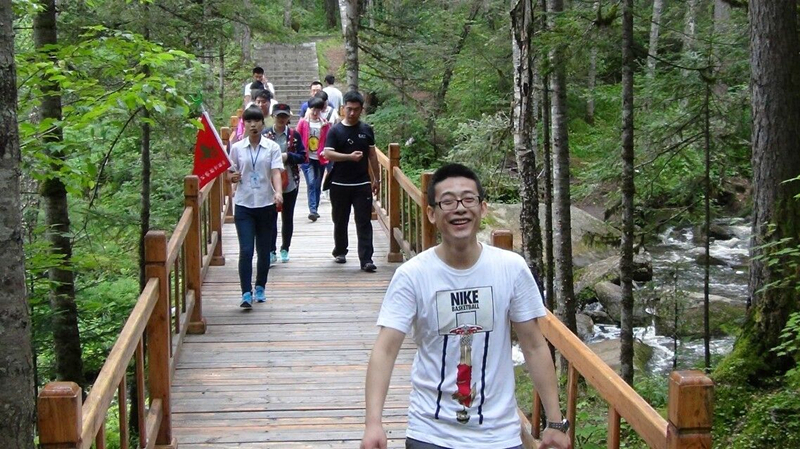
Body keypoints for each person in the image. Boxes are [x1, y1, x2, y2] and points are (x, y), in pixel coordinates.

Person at [360, 164, 572, 449]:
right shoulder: (413, 275)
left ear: (482, 208)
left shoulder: (510, 268)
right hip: (431, 433)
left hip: (499, 436)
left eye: (468, 199)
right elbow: (385, 349)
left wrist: (555, 422)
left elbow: (534, 345)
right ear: (432, 213)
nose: (459, 208)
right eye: (447, 201)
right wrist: (373, 422)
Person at [228, 105, 284, 308]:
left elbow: (276, 171)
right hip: (244, 203)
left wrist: (278, 192)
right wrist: (232, 177)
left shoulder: (272, 147)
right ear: (244, 124)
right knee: (246, 249)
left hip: (265, 202)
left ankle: (260, 286)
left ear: (262, 123)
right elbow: (229, 172)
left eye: (256, 121)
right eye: (249, 121)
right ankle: (245, 292)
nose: (253, 125)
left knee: (263, 248)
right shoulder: (237, 148)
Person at [322, 90, 379, 272]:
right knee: (340, 220)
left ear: (361, 109)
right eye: (349, 109)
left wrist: (376, 179)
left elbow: (372, 155)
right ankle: (340, 250)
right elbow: (327, 153)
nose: (352, 113)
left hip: (362, 183)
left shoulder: (366, 130)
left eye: (356, 109)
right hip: (339, 183)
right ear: (343, 108)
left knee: (364, 221)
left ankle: (366, 259)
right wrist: (348, 157)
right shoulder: (335, 130)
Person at [264, 103, 306, 264]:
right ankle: (270, 250)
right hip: (270, 182)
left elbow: (303, 156)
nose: (281, 119)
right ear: (273, 117)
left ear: (288, 117)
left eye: (284, 116)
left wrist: (288, 156)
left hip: (290, 182)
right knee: (271, 217)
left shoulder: (294, 135)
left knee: (287, 217)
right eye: (278, 116)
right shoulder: (265, 135)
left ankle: (285, 248)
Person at [296, 96, 332, 222]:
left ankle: (314, 209)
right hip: (307, 158)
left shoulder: (325, 124)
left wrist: (326, 151)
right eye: (313, 109)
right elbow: (297, 137)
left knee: (317, 183)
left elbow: (328, 139)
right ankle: (312, 210)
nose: (315, 112)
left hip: (320, 157)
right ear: (309, 108)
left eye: (318, 109)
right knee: (311, 182)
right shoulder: (303, 122)